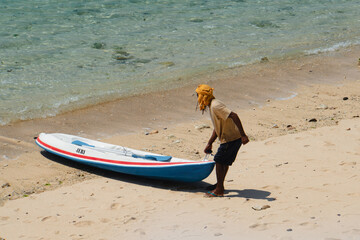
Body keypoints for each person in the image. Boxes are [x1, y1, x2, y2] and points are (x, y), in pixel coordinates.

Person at [195, 84, 249, 197]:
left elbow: (234, 115)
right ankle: (219, 185)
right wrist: (210, 143)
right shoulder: (212, 105)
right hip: (231, 138)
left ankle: (219, 189)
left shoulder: (216, 106)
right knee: (224, 161)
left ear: (203, 96)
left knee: (219, 161)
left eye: (198, 95)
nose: (197, 98)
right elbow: (217, 126)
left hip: (231, 138)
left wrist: (243, 135)